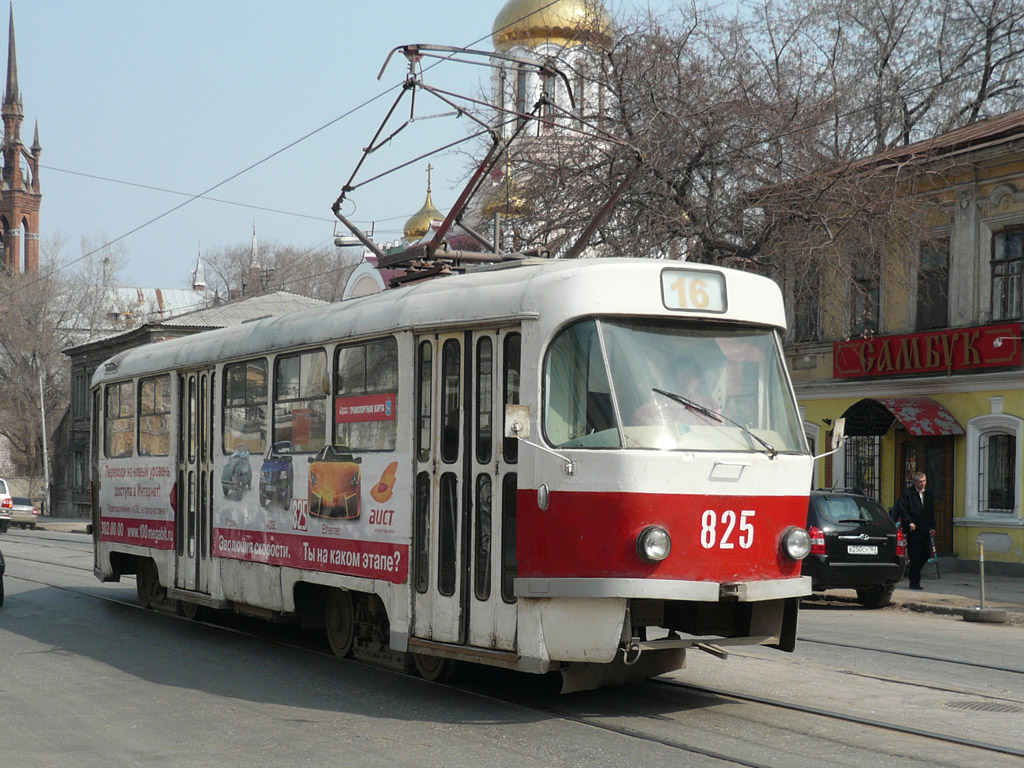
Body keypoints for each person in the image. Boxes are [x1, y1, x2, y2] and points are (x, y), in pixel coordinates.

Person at [892, 471, 936, 590]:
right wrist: (909, 522)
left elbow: (931, 511)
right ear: (915, 482)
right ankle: (914, 582)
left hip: (925, 528)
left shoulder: (928, 494)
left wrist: (933, 526)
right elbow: (902, 509)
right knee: (915, 555)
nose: (922, 484)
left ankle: (913, 571)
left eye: (924, 481)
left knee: (926, 553)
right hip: (913, 529)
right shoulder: (907, 494)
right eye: (920, 482)